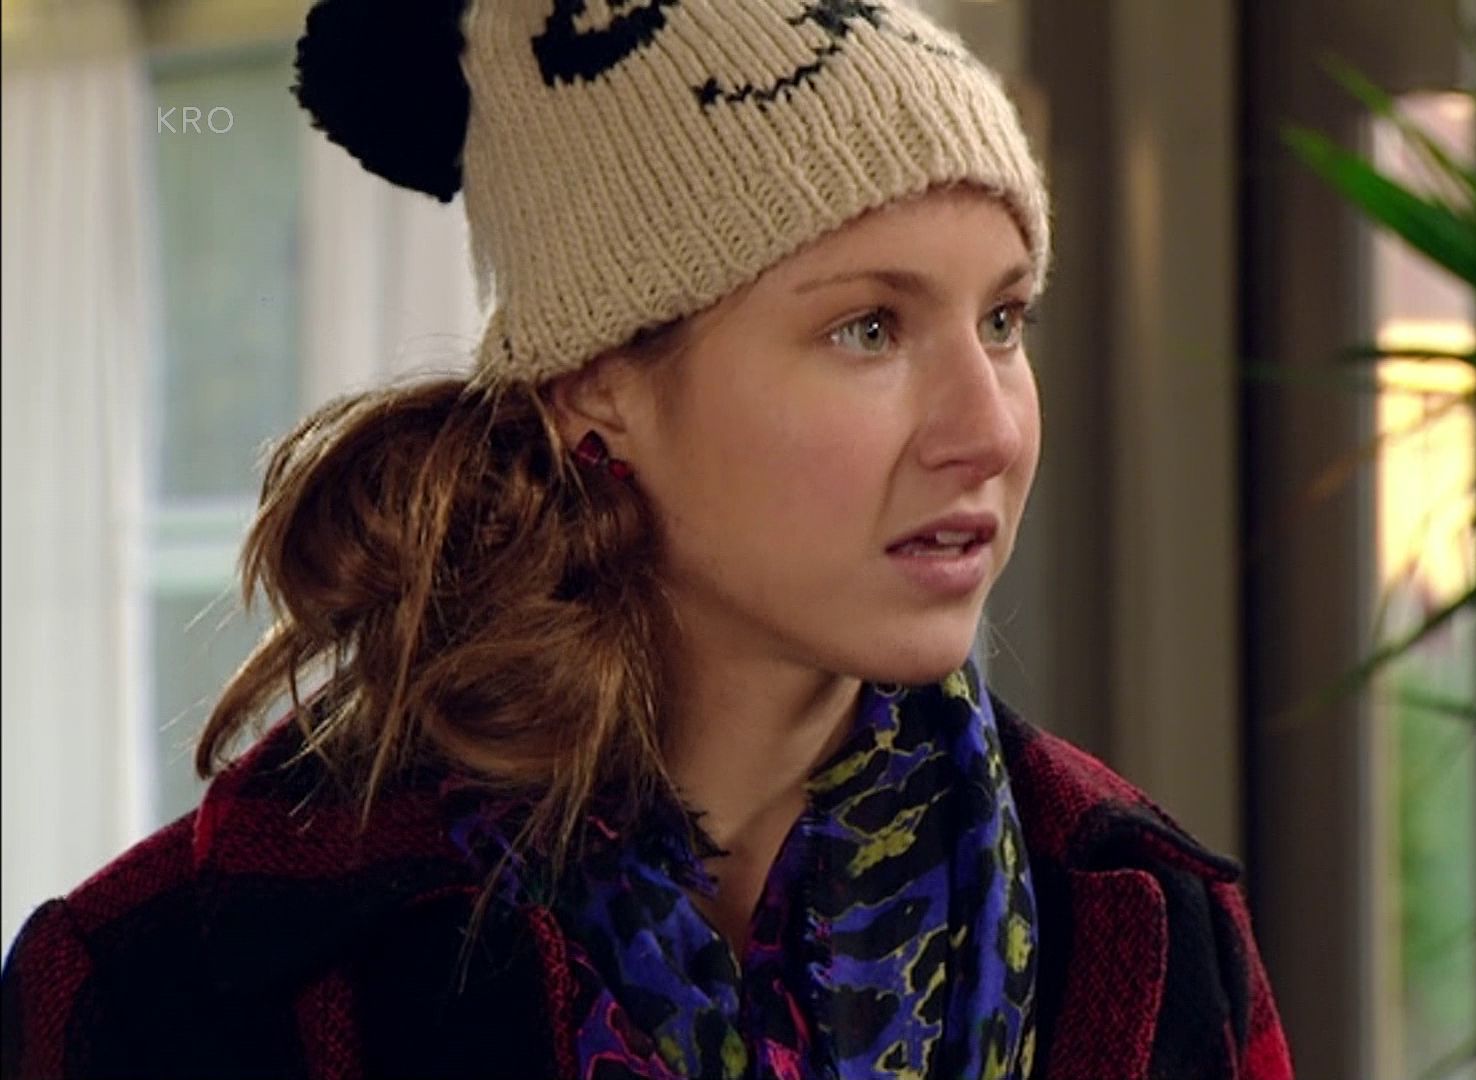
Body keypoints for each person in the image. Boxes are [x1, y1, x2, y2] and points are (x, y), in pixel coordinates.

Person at [0, 1, 1293, 1077]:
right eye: (869, 329)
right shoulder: (162, 986)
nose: (989, 430)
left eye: (1004, 321)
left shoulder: (1145, 920)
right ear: (596, 388)